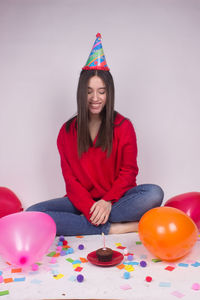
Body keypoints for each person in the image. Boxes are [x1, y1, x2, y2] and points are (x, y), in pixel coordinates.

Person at [26, 33, 164, 236]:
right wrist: (91, 209)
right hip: (82, 202)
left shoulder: (124, 127)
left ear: (109, 93)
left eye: (101, 91)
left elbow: (129, 172)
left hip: (117, 201)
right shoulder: (66, 132)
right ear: (81, 92)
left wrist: (107, 202)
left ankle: (82, 224)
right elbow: (71, 181)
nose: (95, 98)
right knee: (33, 213)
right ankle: (116, 227)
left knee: (153, 193)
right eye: (89, 91)